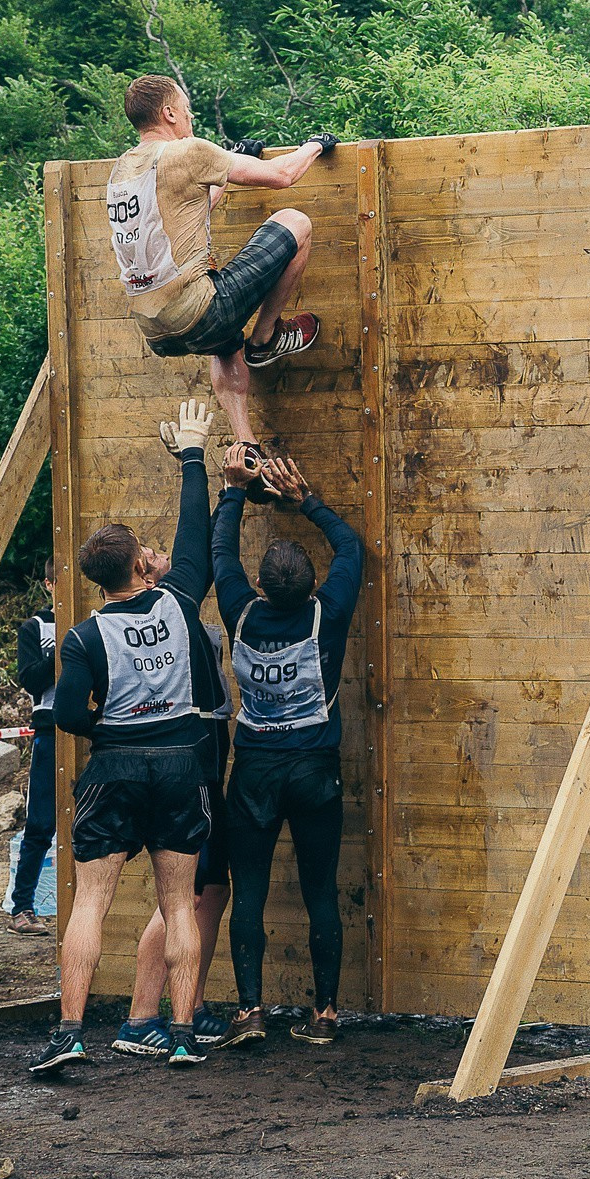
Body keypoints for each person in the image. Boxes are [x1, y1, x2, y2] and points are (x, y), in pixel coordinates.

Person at [36, 400, 224, 1072]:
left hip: (114, 767)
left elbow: (65, 718)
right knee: (179, 902)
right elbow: (195, 537)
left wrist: (105, 724)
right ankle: (177, 1034)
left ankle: (71, 1033)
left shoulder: (85, 635)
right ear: (144, 570)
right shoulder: (178, 602)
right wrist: (194, 457)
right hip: (179, 766)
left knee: (90, 900)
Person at [107, 74, 336, 485]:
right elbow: (283, 175)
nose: (191, 114)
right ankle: (266, 341)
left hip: (157, 331)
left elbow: (187, 211)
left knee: (224, 345)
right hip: (201, 309)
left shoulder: (122, 171)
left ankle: (248, 450)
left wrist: (226, 171)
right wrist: (316, 145)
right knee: (295, 222)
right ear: (169, 112)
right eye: (186, 106)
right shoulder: (186, 152)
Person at [209, 449, 362, 1048]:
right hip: (315, 770)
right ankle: (324, 1013)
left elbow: (221, 554)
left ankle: (250, 1010)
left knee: (249, 889)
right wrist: (307, 501)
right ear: (308, 586)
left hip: (254, 770)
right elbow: (350, 548)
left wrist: (231, 490)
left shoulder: (241, 612)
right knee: (320, 888)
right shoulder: (329, 611)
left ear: (264, 588)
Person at [116, 621, 234, 1053]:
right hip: (191, 766)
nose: (155, 552)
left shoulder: (186, 615)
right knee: (185, 897)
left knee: (215, 889)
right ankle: (140, 1017)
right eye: (148, 551)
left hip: (211, 765)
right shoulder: (167, 612)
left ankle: (193, 1005)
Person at [6, 560, 58, 935]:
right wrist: (64, 651)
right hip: (51, 728)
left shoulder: (99, 617)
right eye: (60, 581)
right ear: (48, 584)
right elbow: (31, 680)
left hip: (97, 728)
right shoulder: (35, 628)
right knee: (40, 823)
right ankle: (22, 907)